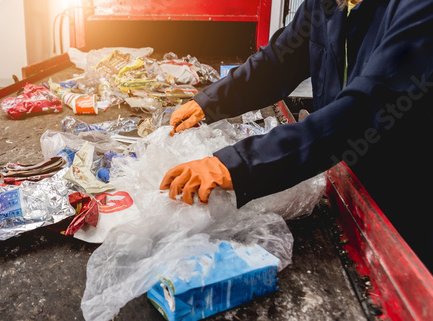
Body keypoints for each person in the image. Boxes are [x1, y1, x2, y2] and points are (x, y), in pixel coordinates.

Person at [160, 0, 433, 271]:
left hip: (403, 197)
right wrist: (208, 102)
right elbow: (278, 62)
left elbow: (364, 107)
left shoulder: (419, 10)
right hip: (341, 171)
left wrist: (239, 163)